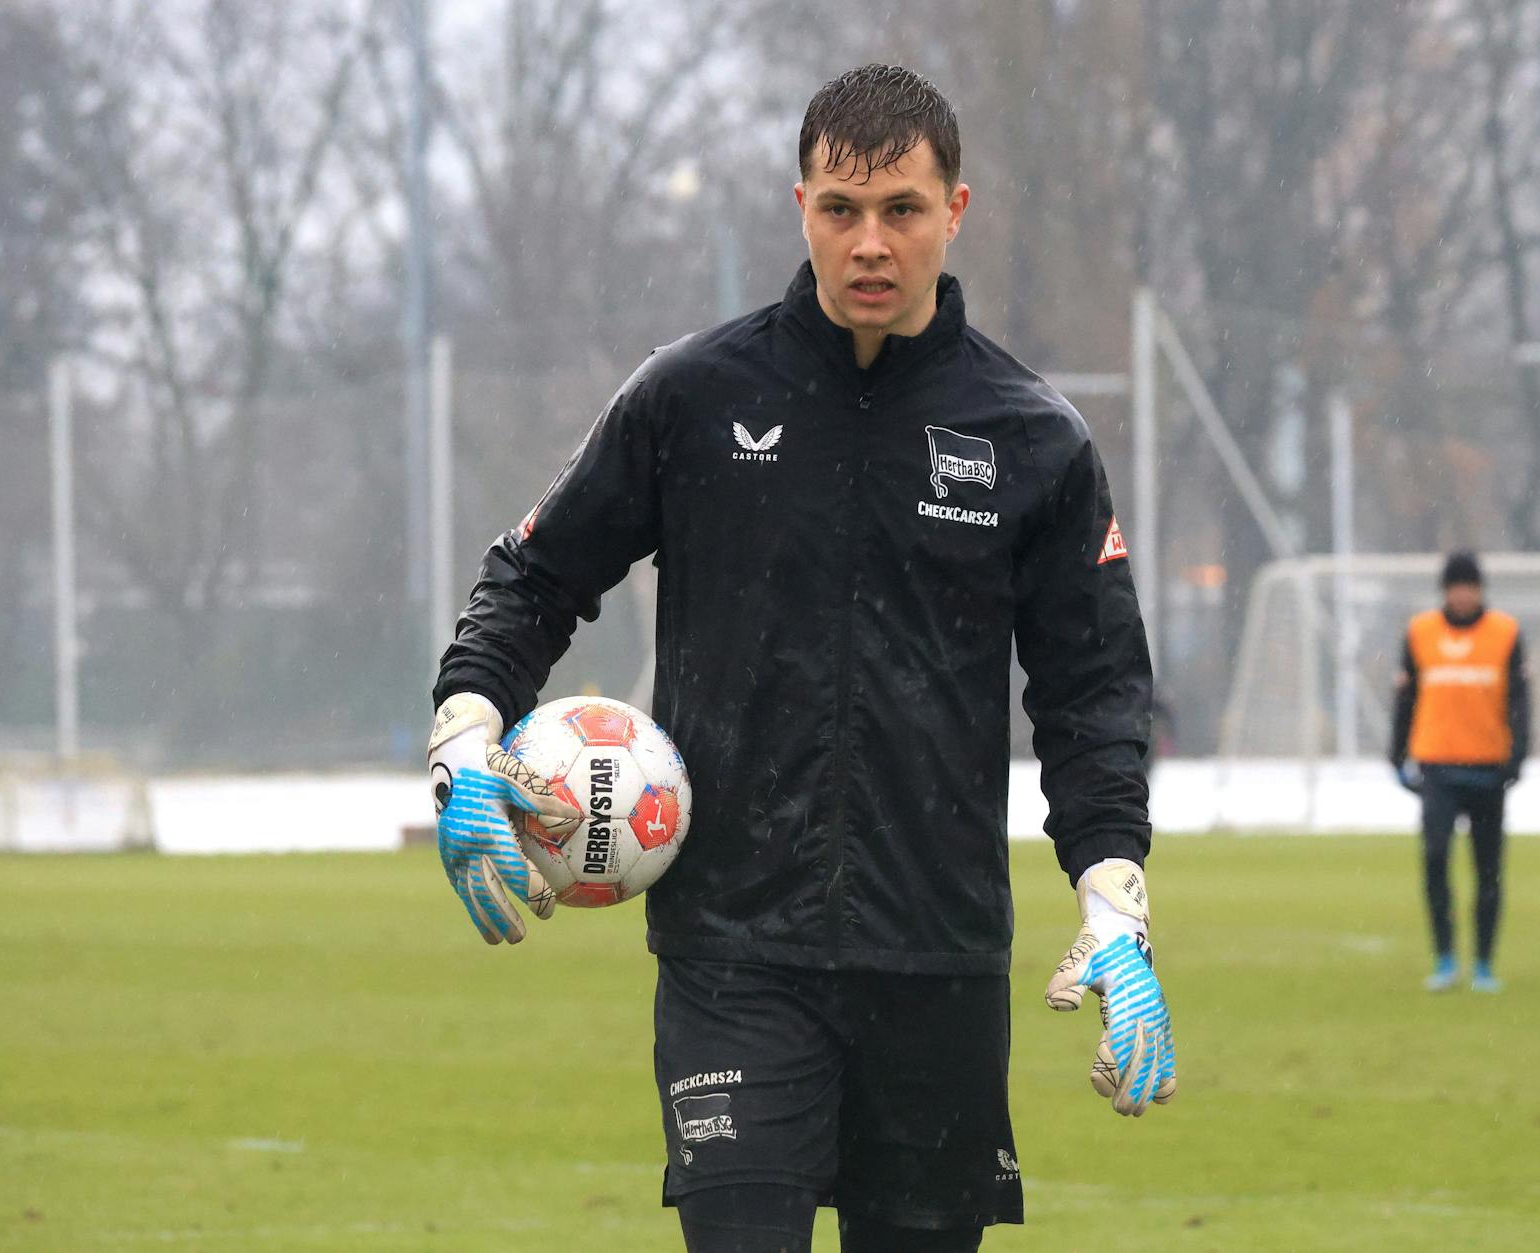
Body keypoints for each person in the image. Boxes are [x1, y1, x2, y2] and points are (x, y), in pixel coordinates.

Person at [425, 64, 1176, 1252]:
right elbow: (534, 575)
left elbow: (1092, 699)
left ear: (956, 212)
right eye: (839, 209)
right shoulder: (691, 397)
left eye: (900, 210)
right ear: (801, 209)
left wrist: (1115, 903)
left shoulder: (1032, 438)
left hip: (937, 963)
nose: (868, 243)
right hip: (734, 959)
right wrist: (465, 738)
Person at [1387, 551, 1531, 994]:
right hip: (1437, 765)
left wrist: (1518, 757)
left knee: (1488, 870)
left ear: (1480, 589)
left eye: (1470, 586)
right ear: (1446, 591)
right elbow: (1406, 698)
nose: (1463, 594)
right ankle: (1446, 957)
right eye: (1456, 586)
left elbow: (1520, 702)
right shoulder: (1420, 632)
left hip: (1488, 767)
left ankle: (1484, 963)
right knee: (1434, 858)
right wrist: (1396, 755)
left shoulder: (1505, 633)